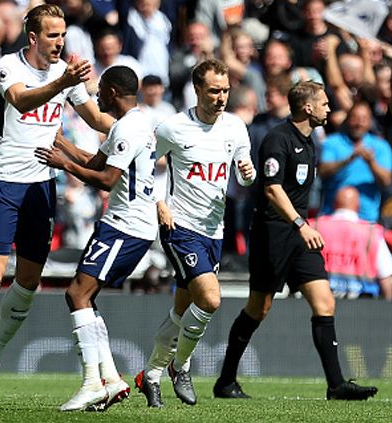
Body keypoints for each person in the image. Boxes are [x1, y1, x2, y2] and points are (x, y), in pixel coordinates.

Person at [0, 3, 113, 408]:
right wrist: (64, 81)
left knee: (30, 283)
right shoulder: (7, 67)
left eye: (63, 34)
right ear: (33, 37)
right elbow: (22, 102)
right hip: (4, 182)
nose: (60, 41)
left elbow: (94, 118)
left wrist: (138, 125)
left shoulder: (64, 73)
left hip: (41, 185)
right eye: (53, 35)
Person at [214, 81, 378, 401]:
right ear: (308, 108)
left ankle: (336, 385)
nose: (329, 109)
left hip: (300, 234)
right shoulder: (278, 139)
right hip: (273, 233)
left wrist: (302, 226)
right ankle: (225, 381)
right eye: (325, 104)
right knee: (258, 309)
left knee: (324, 302)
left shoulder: (311, 138)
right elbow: (272, 189)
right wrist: (301, 223)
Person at [133, 58, 255, 408]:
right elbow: (142, 166)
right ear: (197, 89)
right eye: (214, 90)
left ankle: (150, 375)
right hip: (179, 225)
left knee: (180, 311)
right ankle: (180, 366)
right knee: (211, 300)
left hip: (214, 230)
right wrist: (158, 203)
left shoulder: (235, 128)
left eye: (226, 90)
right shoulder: (173, 128)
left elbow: (246, 178)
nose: (221, 97)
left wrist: (247, 173)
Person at [35, 65, 156, 411]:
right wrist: (63, 145)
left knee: (77, 293)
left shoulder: (127, 129)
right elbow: (97, 160)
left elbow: (106, 179)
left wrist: (64, 165)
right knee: (85, 297)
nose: (96, 95)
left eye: (100, 90)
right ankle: (112, 379)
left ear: (113, 92)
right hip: (125, 224)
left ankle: (92, 383)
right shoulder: (133, 124)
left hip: (125, 225)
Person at [311, 187, 392, 301]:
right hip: (363, 306)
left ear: (334, 204)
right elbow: (385, 276)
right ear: (358, 206)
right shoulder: (372, 232)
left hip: (319, 301)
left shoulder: (313, 227)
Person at [319, 101, 392, 223]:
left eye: (364, 119)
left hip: (366, 219)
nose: (359, 123)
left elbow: (386, 181)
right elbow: (322, 171)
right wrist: (348, 159)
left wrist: (371, 162)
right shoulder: (332, 142)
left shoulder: (381, 146)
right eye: (355, 118)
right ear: (348, 119)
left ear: (370, 122)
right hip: (332, 216)